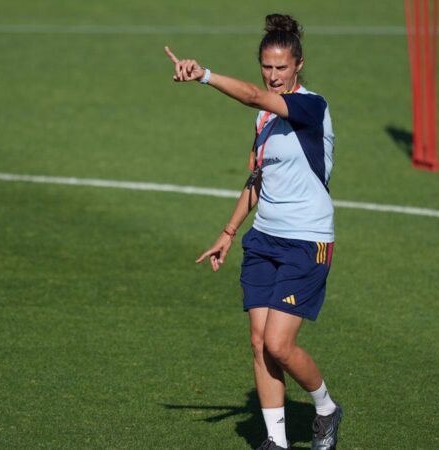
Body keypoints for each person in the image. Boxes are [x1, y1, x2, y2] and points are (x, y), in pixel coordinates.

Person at [164, 13, 342, 450]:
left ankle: (325, 408)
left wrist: (203, 75)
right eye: (267, 67)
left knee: (280, 344)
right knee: (260, 343)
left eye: (282, 67)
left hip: (307, 242)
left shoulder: (310, 106)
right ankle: (276, 442)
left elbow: (250, 96)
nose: (274, 75)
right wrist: (228, 232)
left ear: (298, 64)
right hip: (263, 240)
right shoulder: (264, 123)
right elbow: (256, 180)